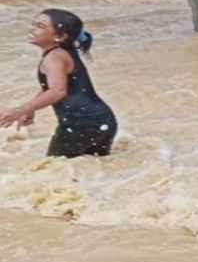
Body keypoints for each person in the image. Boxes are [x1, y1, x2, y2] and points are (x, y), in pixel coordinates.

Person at [0, 9, 117, 158]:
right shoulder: (64, 52)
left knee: (53, 167)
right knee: (91, 169)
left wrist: (19, 110)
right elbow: (53, 86)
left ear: (60, 36)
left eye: (40, 26)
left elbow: (57, 91)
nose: (32, 28)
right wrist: (31, 108)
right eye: (33, 24)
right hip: (102, 120)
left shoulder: (54, 57)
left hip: (79, 124)